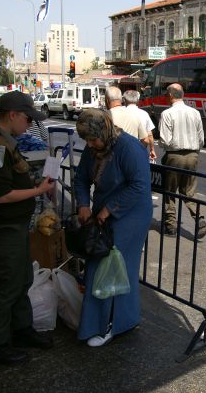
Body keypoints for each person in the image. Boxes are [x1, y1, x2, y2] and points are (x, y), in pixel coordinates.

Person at [0, 90, 55, 365]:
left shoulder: (7, 141)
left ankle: (22, 330)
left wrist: (35, 188)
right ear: (13, 115)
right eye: (28, 117)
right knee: (7, 285)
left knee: (23, 280)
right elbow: (2, 195)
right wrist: (38, 190)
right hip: (5, 227)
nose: (30, 124)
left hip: (16, 225)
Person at [73, 109, 152, 347]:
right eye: (86, 140)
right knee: (106, 266)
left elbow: (140, 185)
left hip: (131, 215)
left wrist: (109, 209)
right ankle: (114, 321)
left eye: (93, 139)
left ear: (105, 132)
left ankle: (110, 324)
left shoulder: (128, 147)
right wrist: (83, 204)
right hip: (104, 213)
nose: (90, 144)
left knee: (112, 267)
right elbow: (80, 179)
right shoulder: (94, 147)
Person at [158, 83, 206, 238]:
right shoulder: (195, 113)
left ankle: (171, 226)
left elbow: (165, 140)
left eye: (166, 94)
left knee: (170, 191)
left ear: (171, 95)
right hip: (193, 156)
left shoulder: (167, 113)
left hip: (174, 156)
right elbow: (201, 139)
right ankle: (198, 218)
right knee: (189, 191)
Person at [122, 89, 157, 161]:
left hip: (123, 151)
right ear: (138, 100)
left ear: (124, 100)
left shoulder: (120, 113)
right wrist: (152, 150)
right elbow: (149, 134)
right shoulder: (144, 114)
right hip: (140, 150)